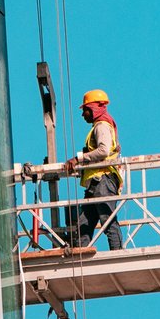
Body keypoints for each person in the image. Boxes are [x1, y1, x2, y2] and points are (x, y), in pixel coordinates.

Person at [64, 89, 124, 251]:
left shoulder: (101, 126)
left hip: (102, 181)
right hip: (95, 184)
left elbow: (103, 151)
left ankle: (117, 254)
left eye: (85, 110)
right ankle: (81, 254)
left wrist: (79, 159)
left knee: (107, 219)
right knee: (85, 223)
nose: (83, 114)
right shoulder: (103, 126)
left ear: (95, 108)